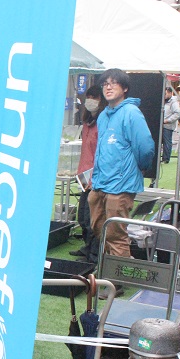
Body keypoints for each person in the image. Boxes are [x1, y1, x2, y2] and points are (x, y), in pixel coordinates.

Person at [89, 69, 155, 298]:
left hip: (121, 185)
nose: (108, 87)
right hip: (100, 183)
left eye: (114, 83)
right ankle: (116, 266)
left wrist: (139, 168)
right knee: (99, 228)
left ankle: (116, 282)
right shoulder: (103, 115)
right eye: (105, 84)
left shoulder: (131, 113)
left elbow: (146, 147)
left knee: (116, 234)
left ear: (124, 88)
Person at [70, 86, 105, 265]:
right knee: (82, 218)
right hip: (84, 176)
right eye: (88, 96)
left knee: (92, 220)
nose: (90, 100)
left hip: (97, 177)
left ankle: (93, 256)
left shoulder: (103, 123)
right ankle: (87, 248)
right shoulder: (87, 123)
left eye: (95, 97)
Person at [161, 87, 180, 164]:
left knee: (167, 142)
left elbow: (178, 113)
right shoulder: (163, 100)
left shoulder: (173, 102)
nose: (164, 95)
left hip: (167, 126)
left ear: (170, 93)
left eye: (165, 94)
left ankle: (166, 159)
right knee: (162, 142)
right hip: (161, 125)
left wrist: (167, 120)